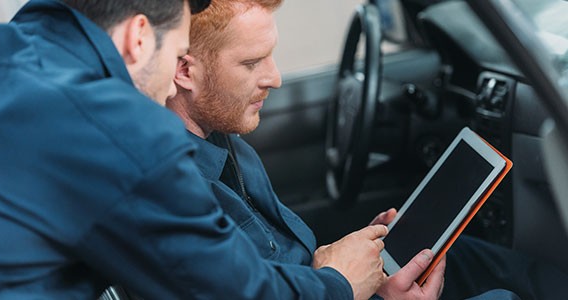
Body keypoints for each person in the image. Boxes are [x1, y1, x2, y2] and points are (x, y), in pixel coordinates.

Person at [0, 0, 394, 299]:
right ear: (138, 37)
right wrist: (340, 283)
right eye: (175, 56)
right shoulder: (122, 137)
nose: (173, 82)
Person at [166, 0, 568, 299]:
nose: (275, 78)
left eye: (271, 55)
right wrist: (350, 286)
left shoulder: (223, 137)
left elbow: (280, 266)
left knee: (459, 253)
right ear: (185, 71)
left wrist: (358, 264)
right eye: (252, 62)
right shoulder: (180, 192)